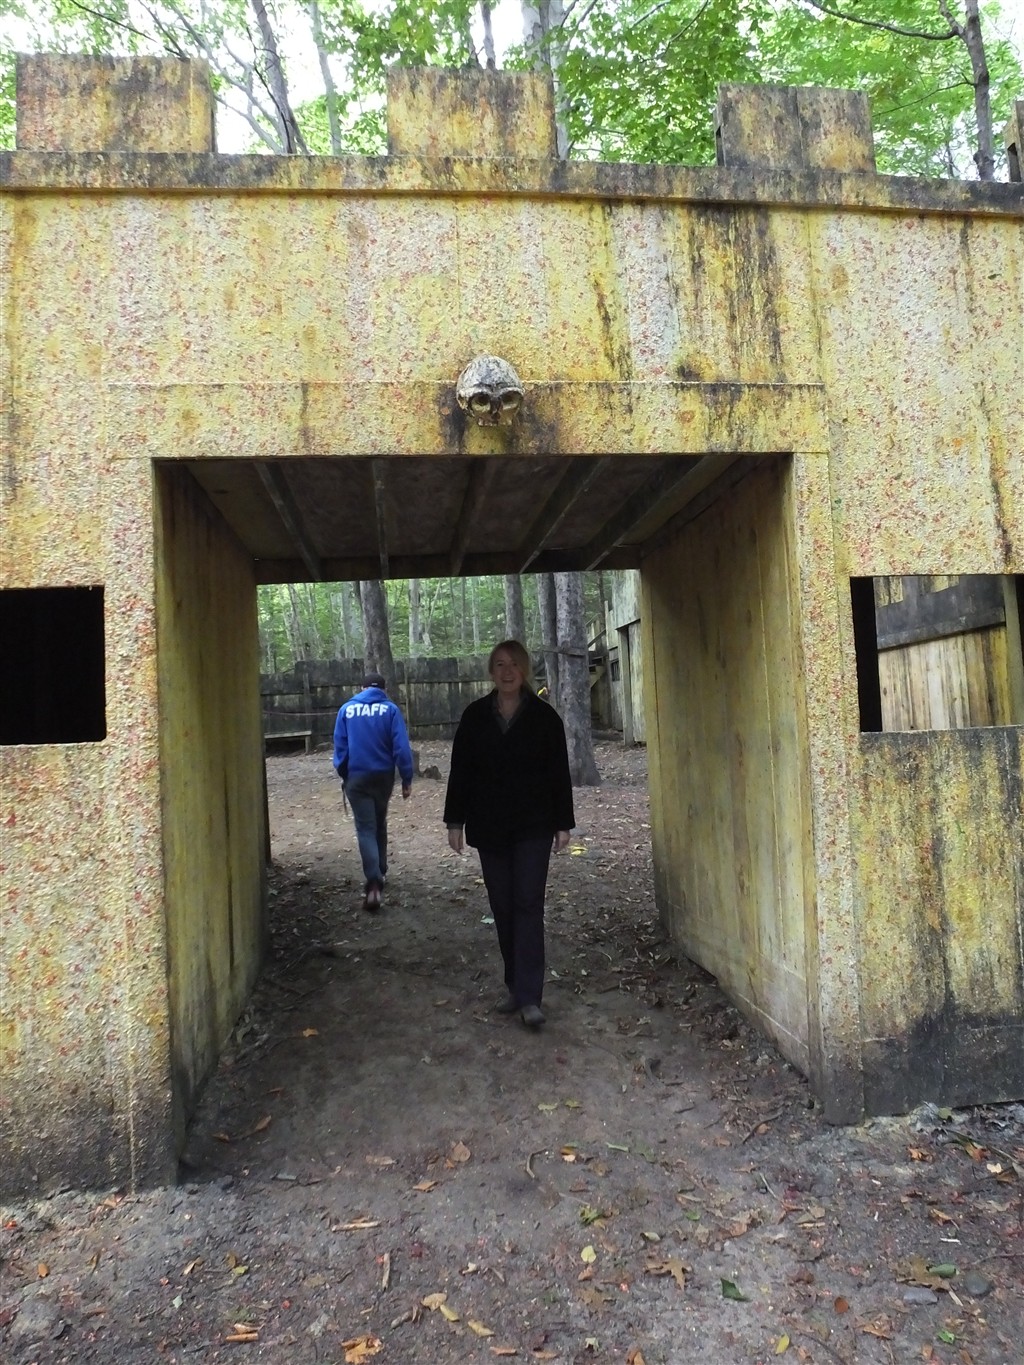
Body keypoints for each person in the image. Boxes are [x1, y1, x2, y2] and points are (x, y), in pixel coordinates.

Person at [444, 640, 574, 1029]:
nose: (507, 671)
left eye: (514, 664)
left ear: (524, 670)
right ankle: (515, 986)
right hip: (490, 827)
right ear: (491, 671)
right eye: (500, 664)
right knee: (502, 906)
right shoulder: (475, 717)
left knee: (528, 904)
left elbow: (559, 774)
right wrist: (455, 822)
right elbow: (460, 772)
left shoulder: (545, 718)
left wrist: (563, 822)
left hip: (534, 826)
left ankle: (531, 997)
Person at [333, 671, 414, 912]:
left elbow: (340, 747)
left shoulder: (346, 710)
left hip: (357, 777)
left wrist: (345, 773)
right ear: (383, 689)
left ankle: (374, 883)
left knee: (365, 828)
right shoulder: (390, 710)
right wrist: (406, 777)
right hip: (383, 777)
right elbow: (401, 747)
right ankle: (382, 870)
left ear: (363, 688)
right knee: (379, 823)